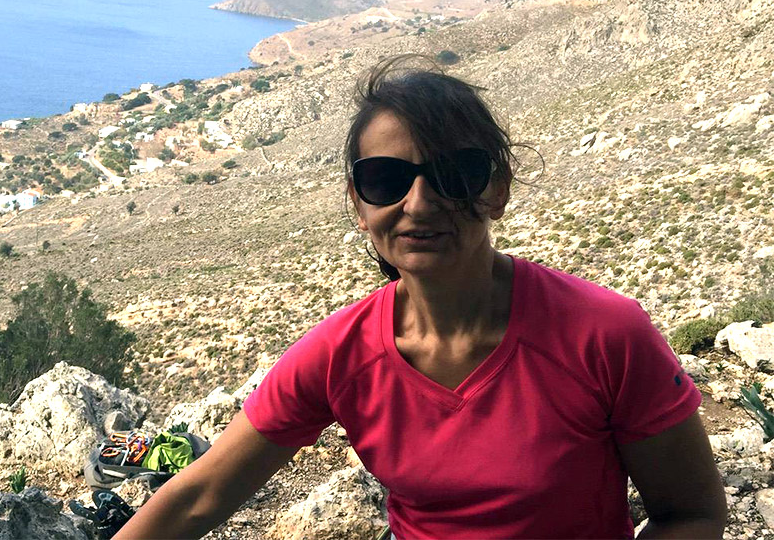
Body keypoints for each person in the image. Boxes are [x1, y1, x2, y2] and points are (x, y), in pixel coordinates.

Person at [116, 55, 727, 539]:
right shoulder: (340, 354)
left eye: (453, 173)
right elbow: (199, 497)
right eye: (385, 179)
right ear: (358, 203)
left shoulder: (603, 334)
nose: (419, 203)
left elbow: (693, 513)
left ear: (497, 190)